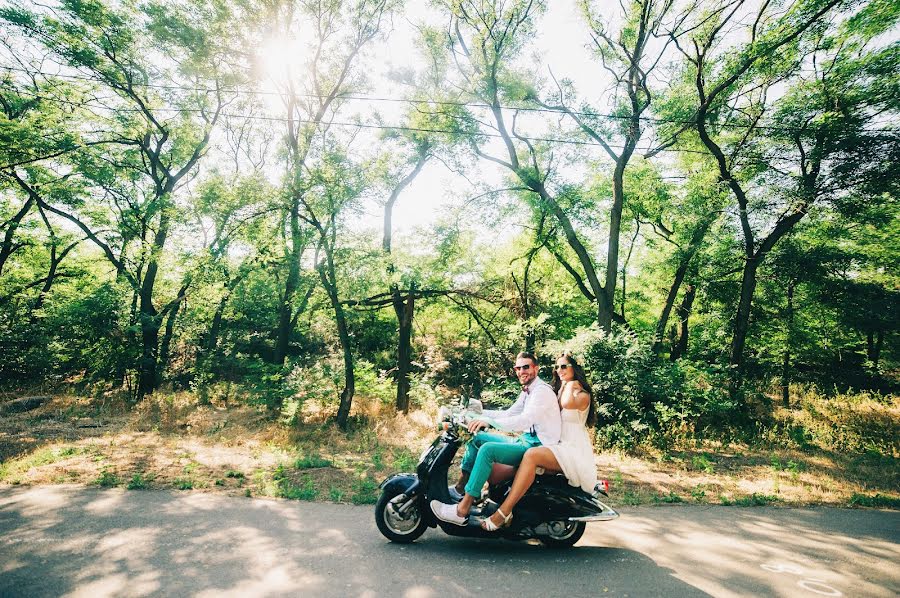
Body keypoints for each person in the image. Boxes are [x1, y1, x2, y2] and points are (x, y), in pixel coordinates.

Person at [430, 351, 561, 526]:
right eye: (518, 368)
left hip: (537, 447)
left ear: (536, 368)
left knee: (487, 450)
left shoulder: (541, 392)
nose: (521, 371)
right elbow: (508, 413)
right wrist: (475, 413)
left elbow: (524, 420)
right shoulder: (528, 391)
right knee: (478, 440)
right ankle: (461, 489)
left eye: (526, 367)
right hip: (526, 441)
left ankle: (462, 510)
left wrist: (489, 422)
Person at [481, 352, 598, 531]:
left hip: (572, 450)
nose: (559, 370)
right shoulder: (557, 390)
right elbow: (515, 413)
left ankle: (504, 512)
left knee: (531, 455)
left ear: (575, 368)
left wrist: (571, 383)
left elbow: (566, 403)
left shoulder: (581, 395)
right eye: (557, 367)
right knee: (503, 459)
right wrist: (482, 414)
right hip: (556, 445)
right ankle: (490, 496)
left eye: (564, 366)